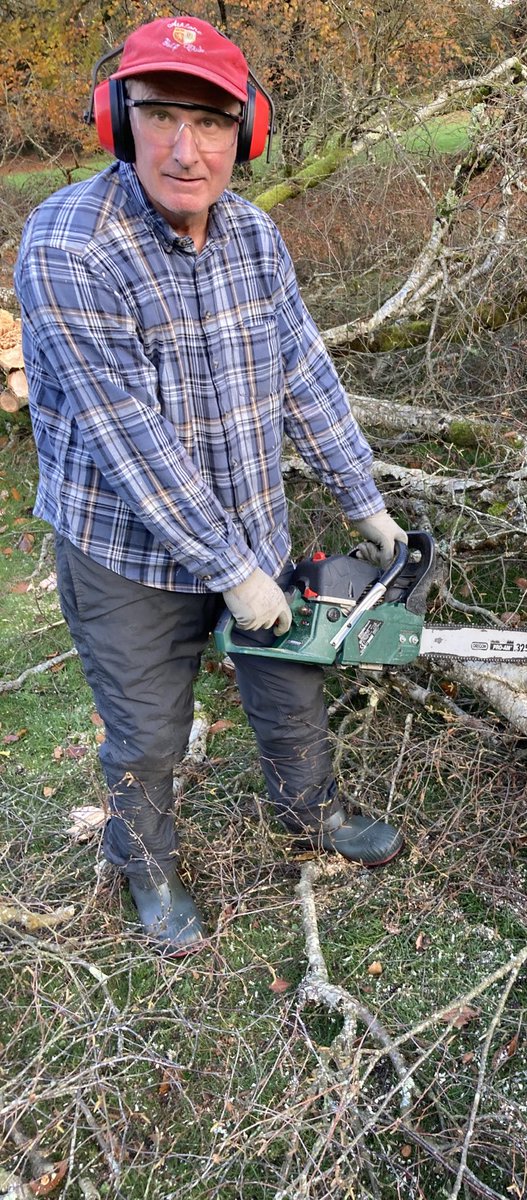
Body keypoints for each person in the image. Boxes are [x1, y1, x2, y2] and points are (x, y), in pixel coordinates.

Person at [14, 15, 407, 956]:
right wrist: (233, 570)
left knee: (290, 689)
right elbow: (129, 440)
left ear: (248, 130)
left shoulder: (254, 234)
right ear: (120, 119)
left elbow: (301, 367)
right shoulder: (69, 246)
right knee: (147, 735)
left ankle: (312, 812)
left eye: (212, 121)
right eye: (160, 117)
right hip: (123, 554)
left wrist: (364, 498)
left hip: (251, 523)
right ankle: (145, 871)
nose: (186, 150)